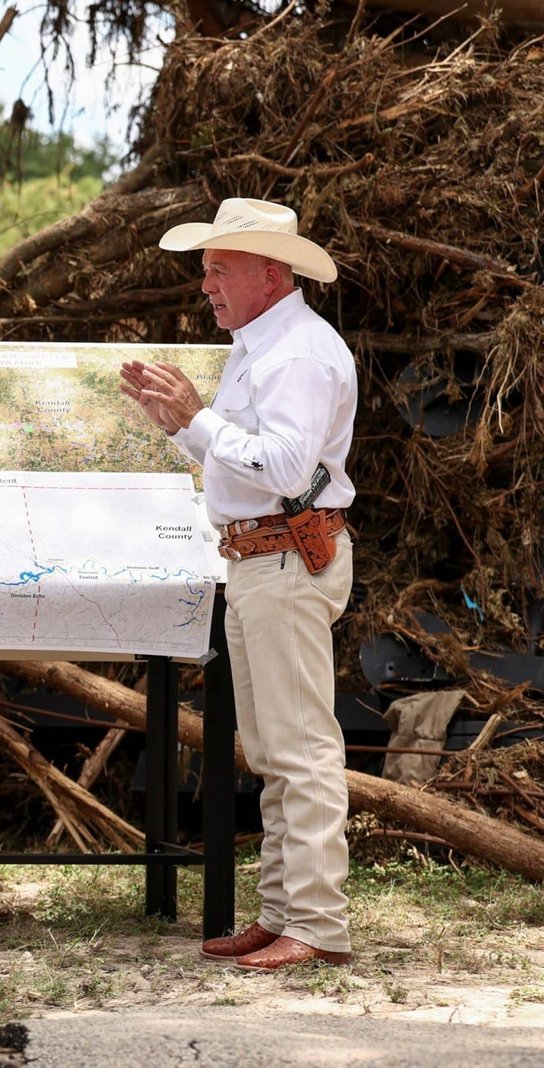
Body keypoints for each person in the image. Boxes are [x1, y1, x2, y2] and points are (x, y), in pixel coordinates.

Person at [119, 197, 357, 972]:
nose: (206, 285)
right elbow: (249, 464)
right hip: (267, 557)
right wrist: (180, 423)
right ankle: (288, 913)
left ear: (270, 273)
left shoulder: (296, 354)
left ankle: (313, 923)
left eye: (220, 269)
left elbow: (284, 468)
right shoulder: (270, 345)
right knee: (276, 747)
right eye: (207, 270)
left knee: (298, 749)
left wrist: (197, 418)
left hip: (282, 559)